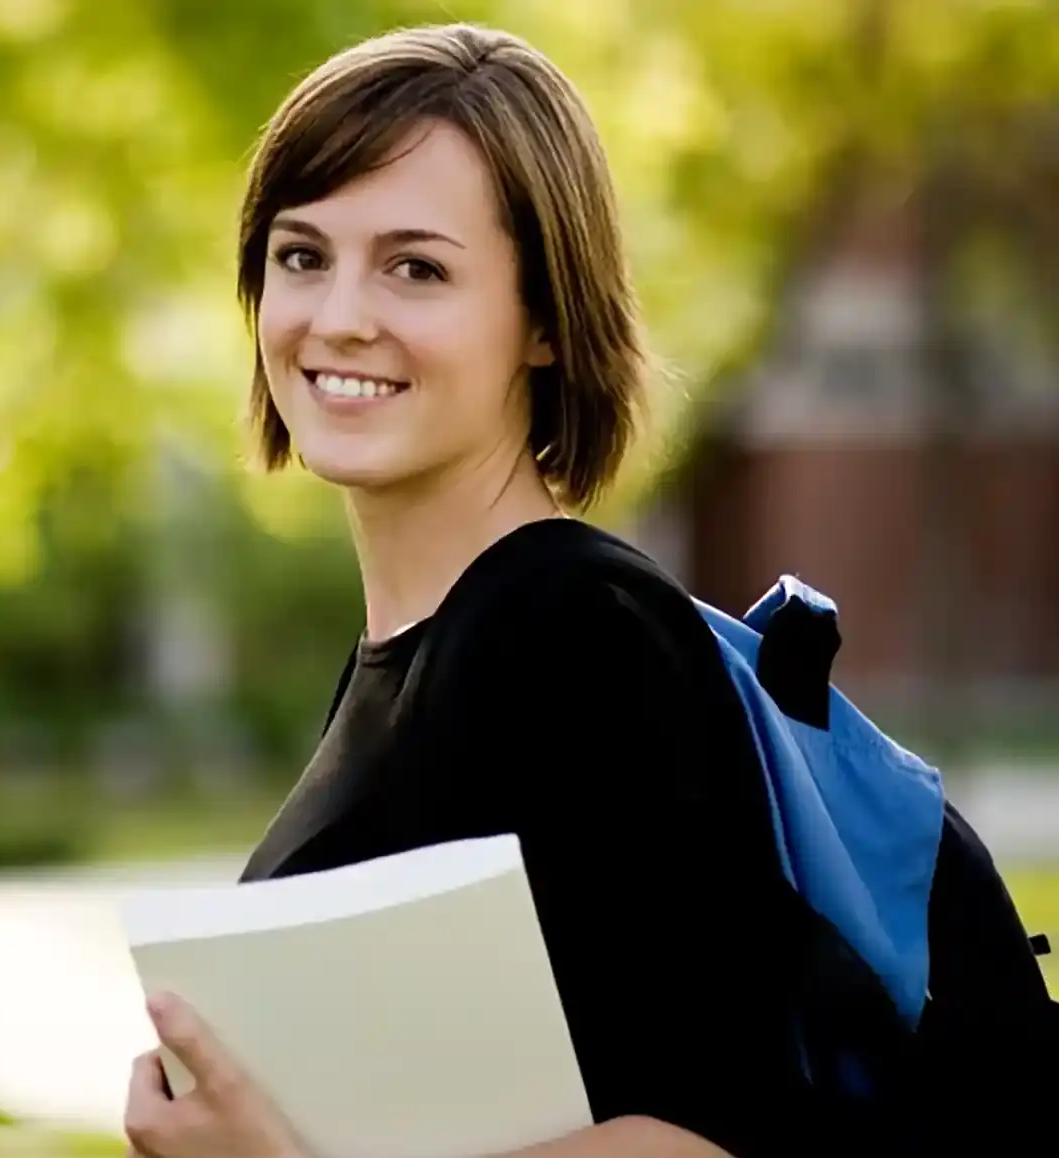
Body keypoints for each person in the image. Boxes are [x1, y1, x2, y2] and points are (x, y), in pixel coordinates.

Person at [121, 23, 858, 1158]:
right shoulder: (416, 650)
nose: (339, 316)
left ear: (548, 324)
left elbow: (715, 1132)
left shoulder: (579, 632)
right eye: (301, 255)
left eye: (417, 267)